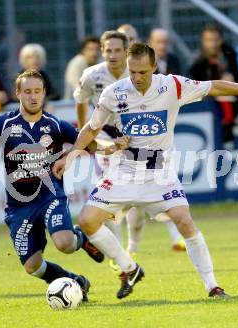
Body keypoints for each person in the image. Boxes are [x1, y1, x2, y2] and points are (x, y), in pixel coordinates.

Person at [54, 43, 238, 299]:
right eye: (132, 72)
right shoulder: (114, 92)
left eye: (143, 72)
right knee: (86, 221)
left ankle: (212, 286)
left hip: (160, 172)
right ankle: (129, 267)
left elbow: (213, 86)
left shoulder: (172, 85)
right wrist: (70, 155)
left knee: (183, 219)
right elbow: (91, 128)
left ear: (154, 68)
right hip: (124, 169)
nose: (137, 78)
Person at [0, 69, 129, 300]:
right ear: (17, 93)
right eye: (28, 91)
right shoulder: (3, 123)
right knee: (32, 266)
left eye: (38, 91)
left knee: (65, 244)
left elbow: (86, 142)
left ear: (44, 94)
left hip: (50, 196)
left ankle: (81, 238)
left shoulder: (55, 125)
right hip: (19, 206)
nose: (33, 96)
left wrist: (110, 147)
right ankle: (75, 281)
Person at [74, 31, 185, 275]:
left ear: (126, 53)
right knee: (108, 206)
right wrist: (85, 142)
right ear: (101, 51)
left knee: (136, 206)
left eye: (117, 50)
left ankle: (132, 247)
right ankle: (122, 258)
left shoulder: (135, 73)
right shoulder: (91, 76)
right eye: (107, 50)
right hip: (106, 146)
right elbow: (82, 102)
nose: (112, 55)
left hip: (136, 147)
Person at [189, 24, 238, 147]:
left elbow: (237, 76)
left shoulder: (230, 54)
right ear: (203, 42)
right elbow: (196, 85)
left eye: (215, 40)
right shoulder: (198, 61)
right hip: (210, 101)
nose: (213, 44)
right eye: (209, 40)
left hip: (233, 97)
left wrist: (230, 79)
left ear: (221, 39)